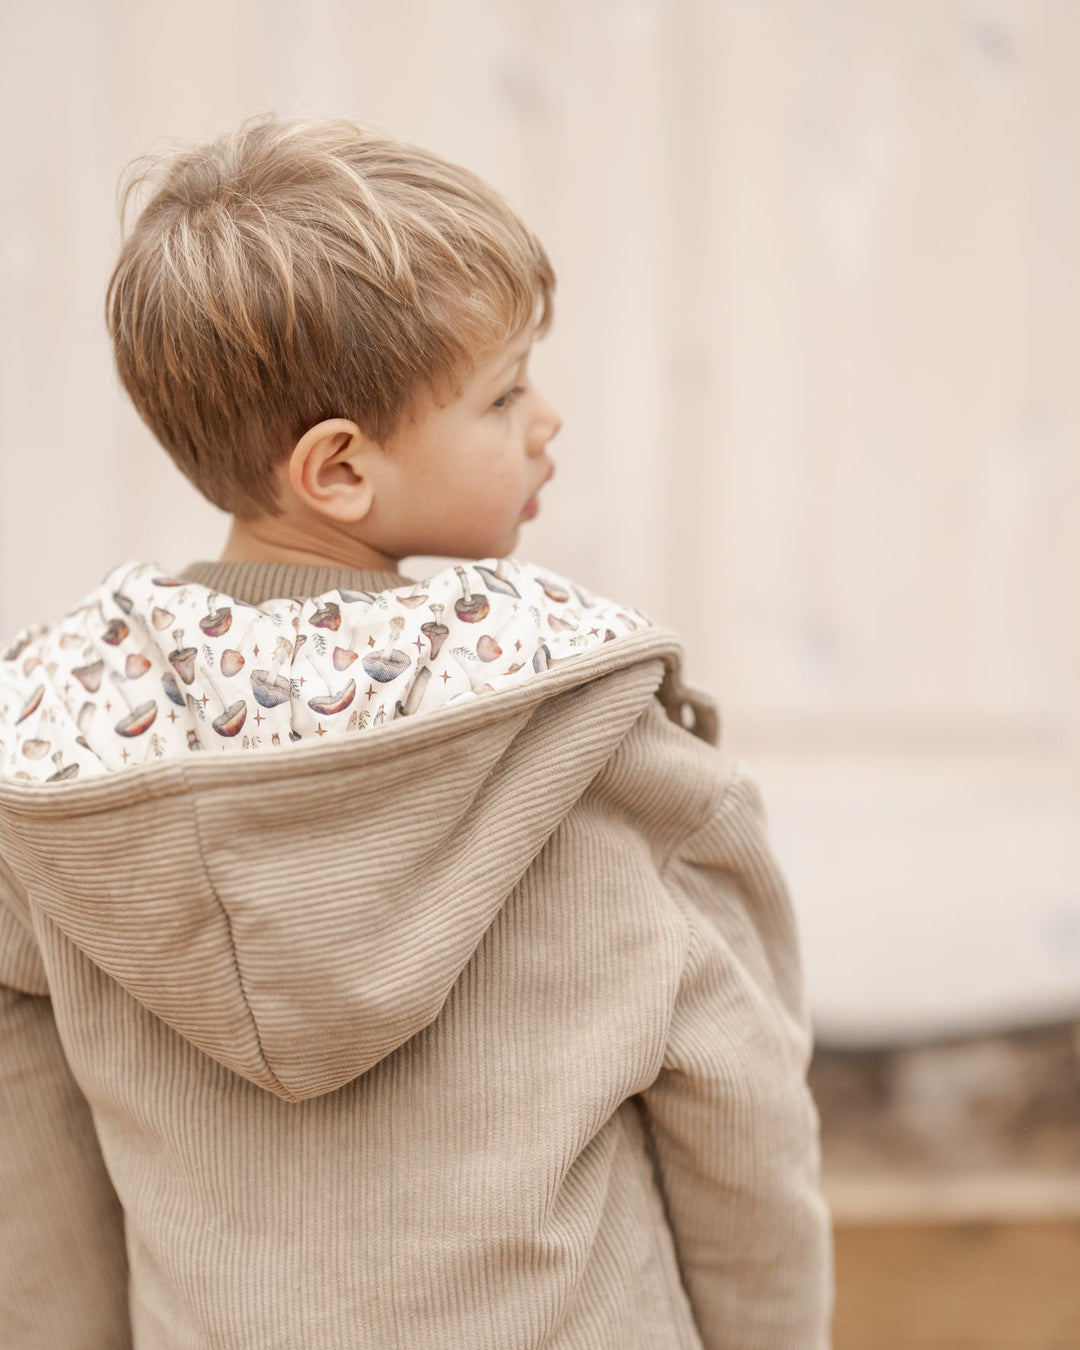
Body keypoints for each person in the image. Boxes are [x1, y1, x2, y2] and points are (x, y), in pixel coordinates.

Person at [0, 116, 831, 1349]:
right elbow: (743, 1135)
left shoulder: (56, 777)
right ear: (339, 469)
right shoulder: (593, 744)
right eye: (502, 394)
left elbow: (32, 1167)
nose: (546, 421)